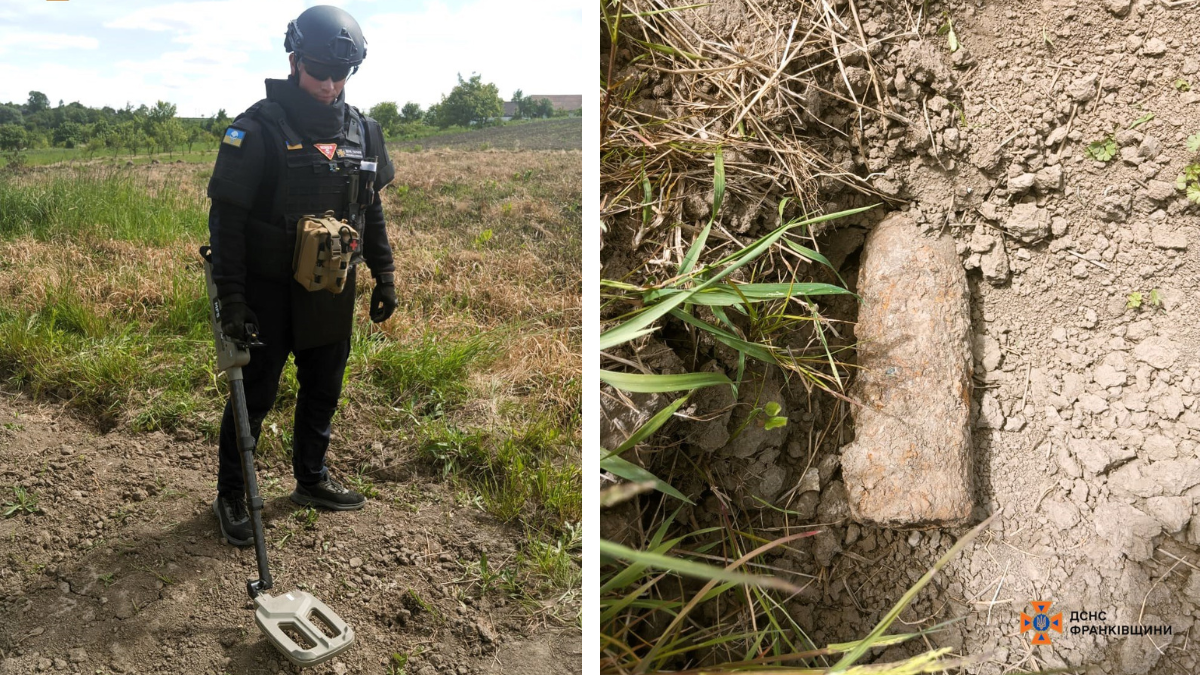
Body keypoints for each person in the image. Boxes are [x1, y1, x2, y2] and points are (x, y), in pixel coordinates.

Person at [206, 5, 399, 546]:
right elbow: (227, 221)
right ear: (294, 61)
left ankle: (311, 479)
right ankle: (232, 494)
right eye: (320, 72)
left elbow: (372, 209)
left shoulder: (363, 131)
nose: (330, 85)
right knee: (256, 395)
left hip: (332, 289)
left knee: (323, 390)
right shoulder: (255, 130)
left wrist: (383, 276)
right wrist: (233, 300)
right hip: (267, 293)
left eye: (342, 75)